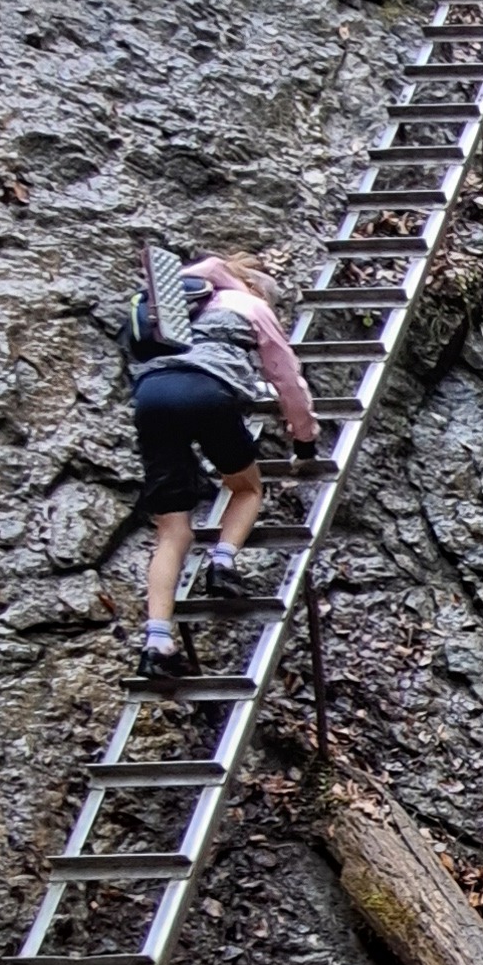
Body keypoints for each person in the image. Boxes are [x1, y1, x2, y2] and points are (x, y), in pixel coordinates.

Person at [128, 251, 327, 689]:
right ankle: (223, 562)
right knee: (245, 489)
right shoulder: (251, 307)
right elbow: (285, 376)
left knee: (171, 530)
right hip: (207, 393)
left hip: (151, 395)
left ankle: (156, 643)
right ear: (257, 288)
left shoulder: (171, 301)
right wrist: (304, 436)